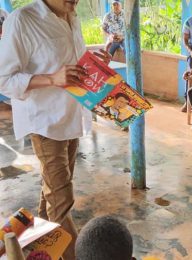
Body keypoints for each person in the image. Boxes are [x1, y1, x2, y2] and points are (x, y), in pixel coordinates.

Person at [0, 1, 111, 259]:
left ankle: (37, 250)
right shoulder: (23, 20)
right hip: (45, 122)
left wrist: (92, 58)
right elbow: (4, 79)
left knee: (52, 192)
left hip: (72, 117)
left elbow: (67, 61)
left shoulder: (72, 16)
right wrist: (52, 79)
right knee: (61, 206)